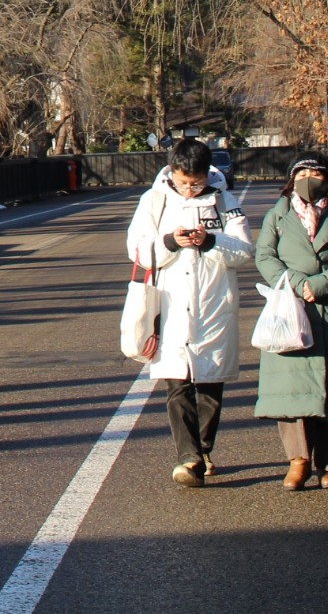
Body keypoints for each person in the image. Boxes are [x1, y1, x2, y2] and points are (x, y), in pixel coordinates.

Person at [127, 137, 254, 487]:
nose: (189, 187)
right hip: (170, 303)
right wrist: (170, 242)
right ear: (172, 171)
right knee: (177, 382)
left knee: (211, 383)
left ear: (206, 174)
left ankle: (203, 448)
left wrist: (210, 242)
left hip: (214, 304)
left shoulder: (225, 202)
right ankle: (188, 457)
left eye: (195, 182)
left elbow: (244, 252)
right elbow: (136, 248)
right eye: (183, 181)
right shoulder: (154, 200)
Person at [254, 152, 328, 489]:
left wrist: (320, 284)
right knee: (291, 391)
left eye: (316, 173)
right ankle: (298, 461)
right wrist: (295, 284)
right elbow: (264, 255)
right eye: (302, 172)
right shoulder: (278, 215)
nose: (308, 178)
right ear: (291, 179)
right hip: (289, 309)